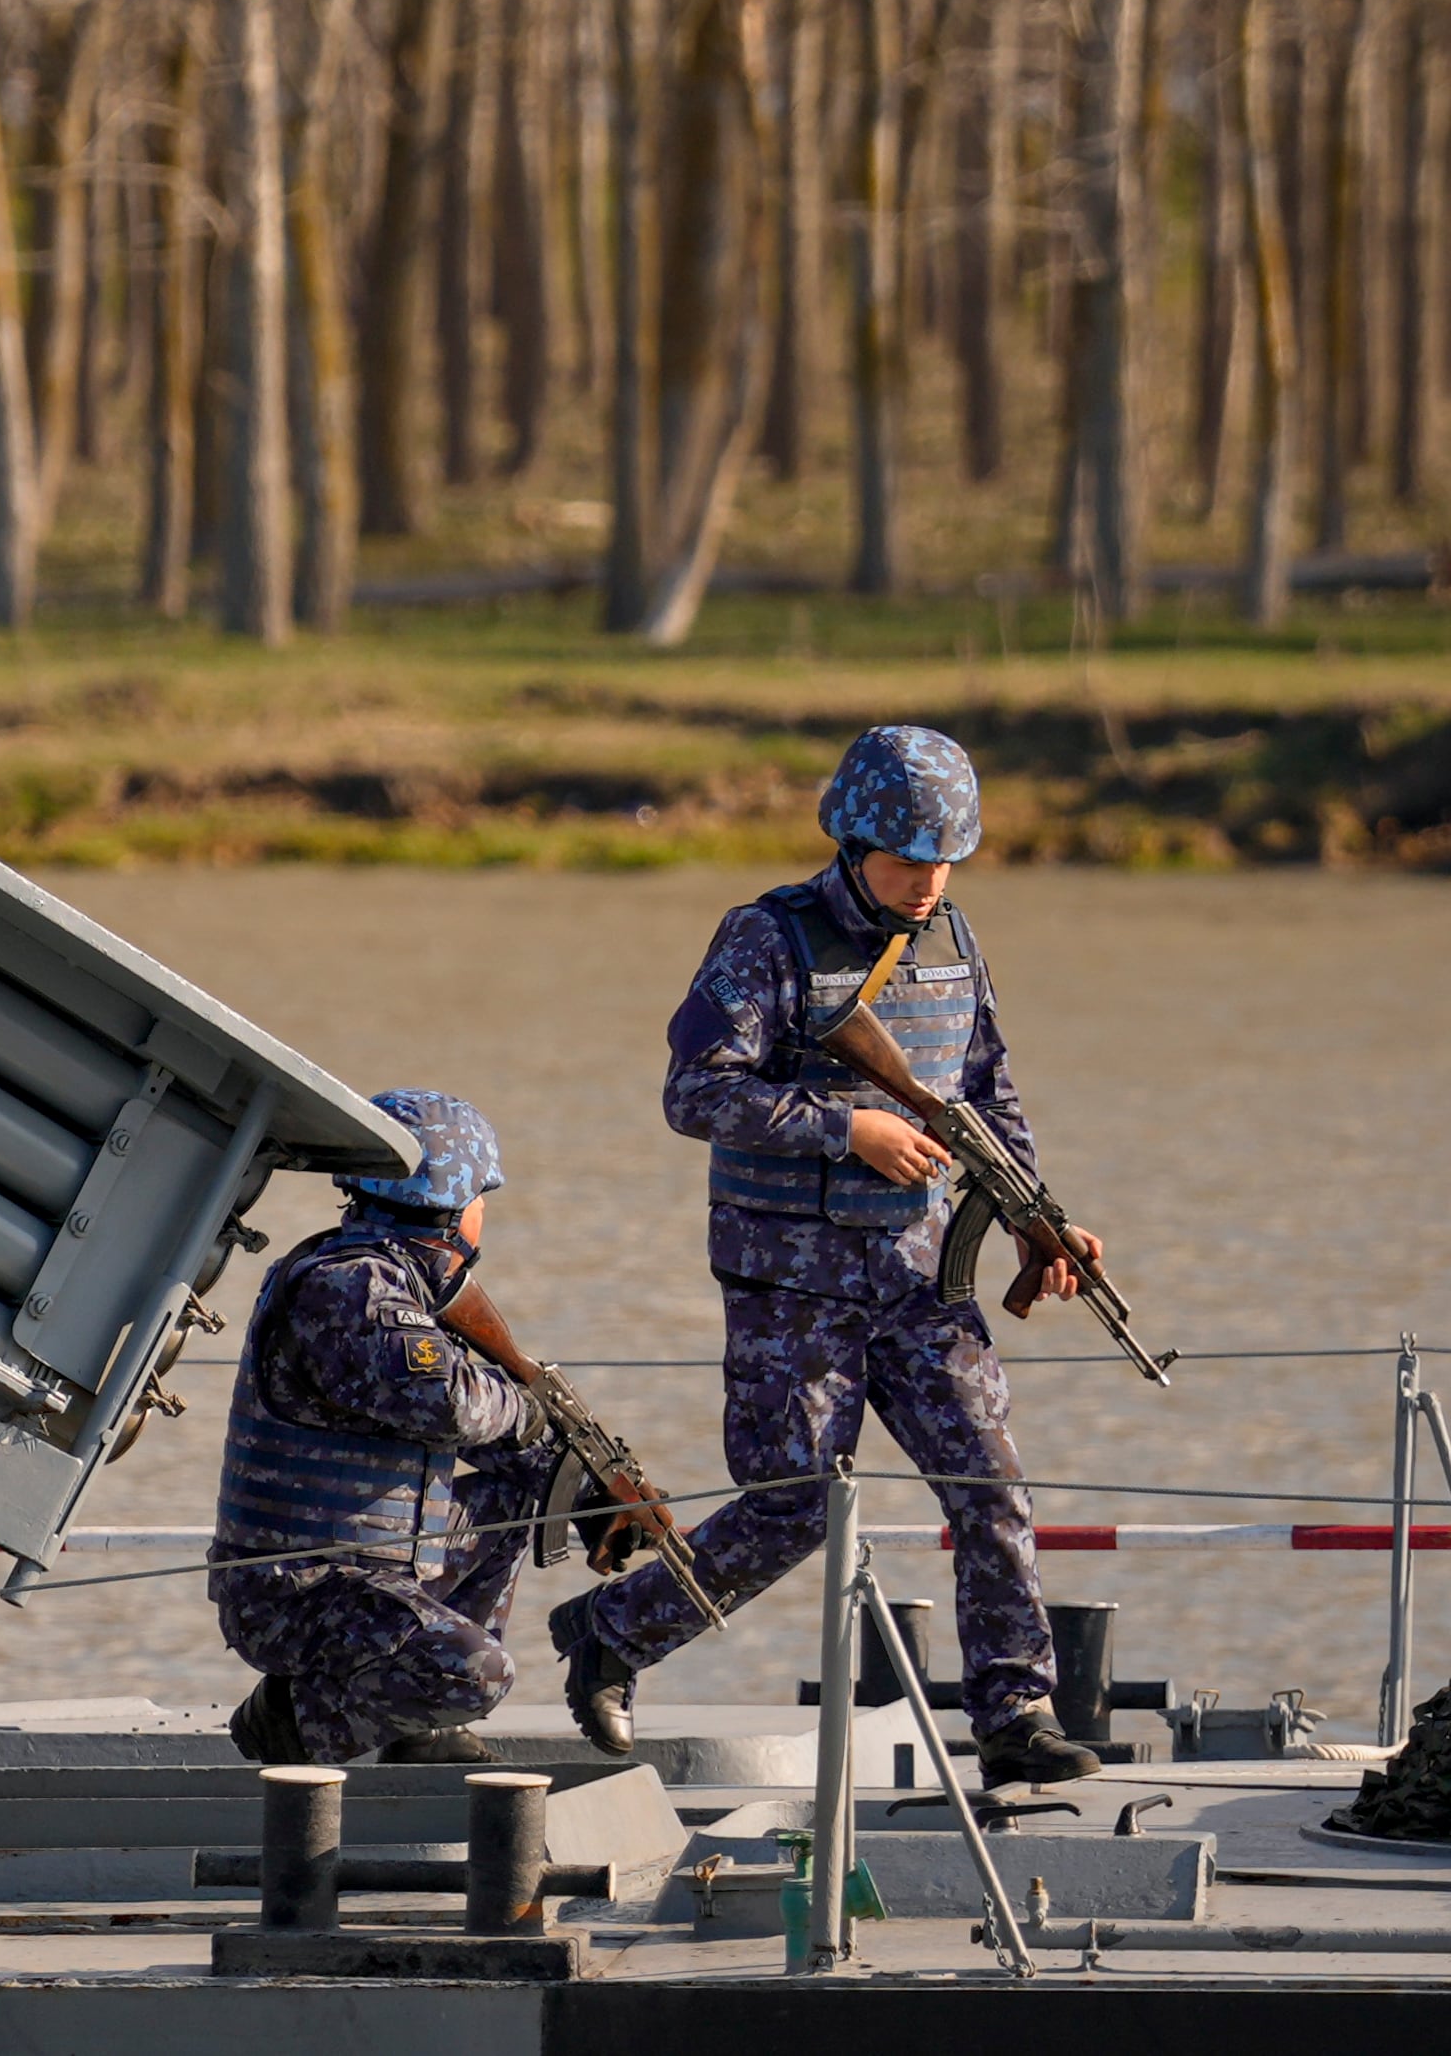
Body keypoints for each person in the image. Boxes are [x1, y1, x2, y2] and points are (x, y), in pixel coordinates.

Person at [544, 724, 1107, 1789]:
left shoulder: (952, 941)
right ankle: (612, 1633)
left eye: (946, 861)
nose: (927, 882)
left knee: (987, 1484)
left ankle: (1014, 1716)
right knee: (794, 1503)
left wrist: (1041, 1215)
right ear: (850, 844)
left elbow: (986, 1092)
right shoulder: (764, 937)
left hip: (918, 1274)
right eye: (906, 862)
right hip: (789, 1284)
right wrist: (845, 1129)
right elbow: (692, 1094)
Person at [210, 1090, 562, 1766]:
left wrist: (580, 1488)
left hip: (367, 1573)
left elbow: (471, 1430)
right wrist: (527, 1410)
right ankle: (292, 1721)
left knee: (514, 1495)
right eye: (482, 1198)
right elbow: (450, 1407)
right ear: (453, 1205)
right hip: (296, 1589)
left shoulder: (399, 1283)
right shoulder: (351, 1286)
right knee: (480, 1674)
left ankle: (417, 1721)